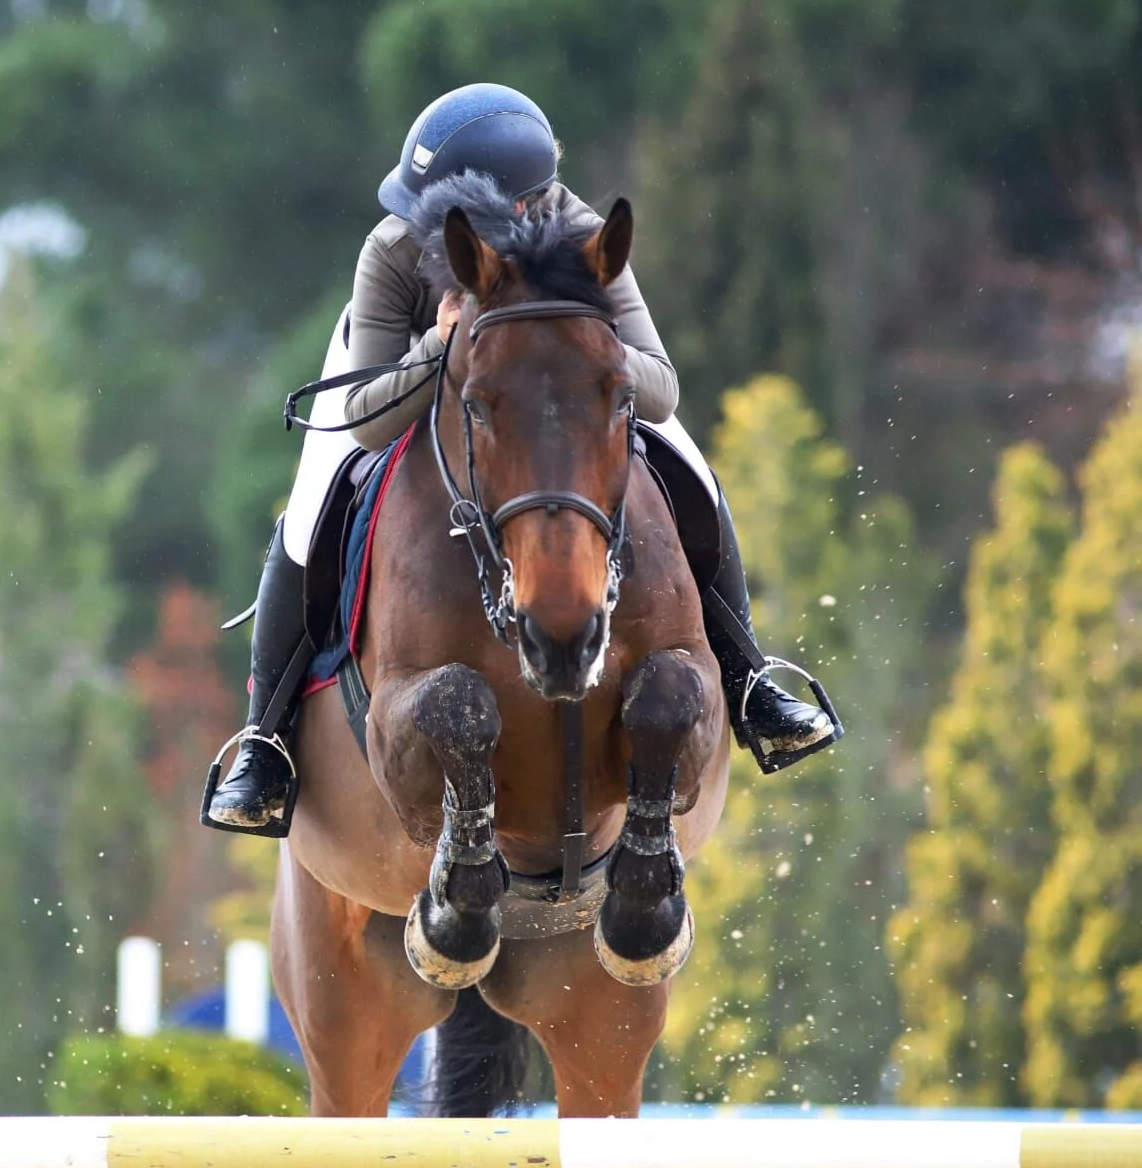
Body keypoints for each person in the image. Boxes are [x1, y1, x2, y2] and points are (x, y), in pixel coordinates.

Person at [205, 83, 840, 836]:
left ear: (518, 209)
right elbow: (365, 419)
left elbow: (661, 388)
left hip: (566, 396)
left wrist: (588, 353)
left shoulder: (580, 236)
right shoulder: (395, 248)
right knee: (310, 510)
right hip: (409, 390)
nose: (421, 224)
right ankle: (266, 740)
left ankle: (750, 682)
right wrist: (441, 349)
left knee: (686, 466)